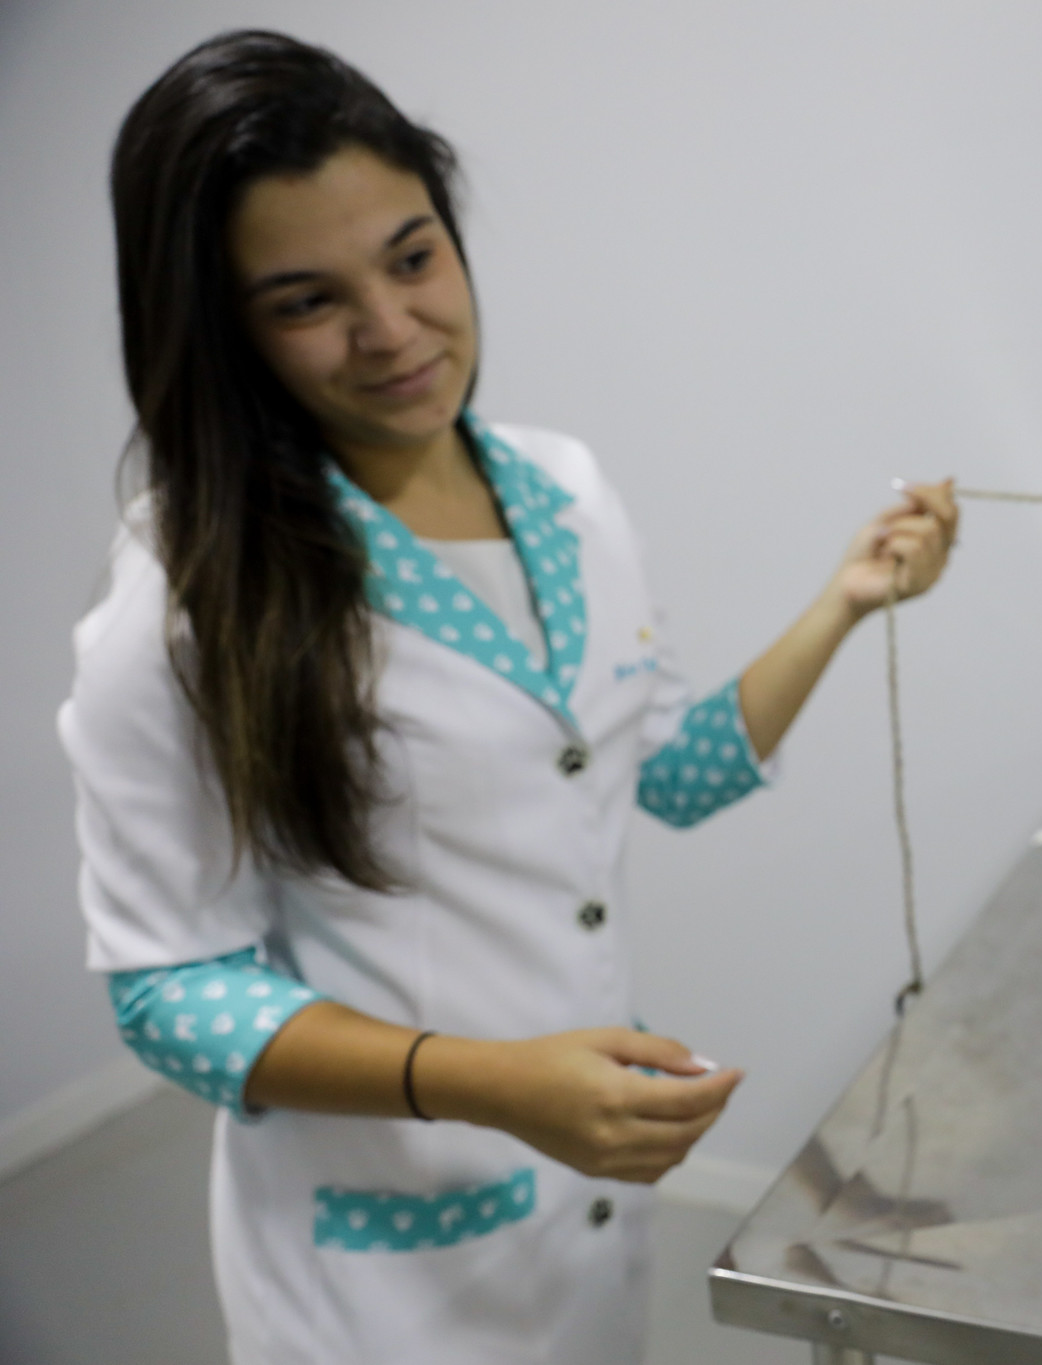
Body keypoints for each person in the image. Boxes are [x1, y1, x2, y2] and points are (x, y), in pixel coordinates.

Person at [58, 29, 957, 1365]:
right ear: (224, 330)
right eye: (308, 301)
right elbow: (171, 994)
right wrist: (486, 1082)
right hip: (378, 1279)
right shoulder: (187, 603)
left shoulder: (567, 495)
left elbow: (661, 772)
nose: (394, 329)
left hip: (578, 1219)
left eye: (413, 256)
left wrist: (845, 600)